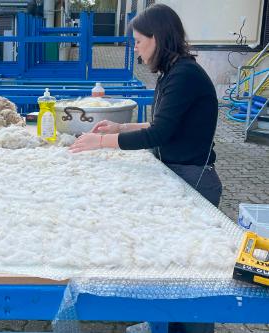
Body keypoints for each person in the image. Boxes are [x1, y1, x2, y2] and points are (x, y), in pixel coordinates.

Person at [70, 4, 220, 333]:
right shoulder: (174, 73)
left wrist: (100, 144)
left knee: (194, 272)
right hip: (177, 174)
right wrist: (118, 129)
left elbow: (160, 134)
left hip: (194, 180)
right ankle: (160, 324)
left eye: (138, 41)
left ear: (158, 38)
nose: (135, 48)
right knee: (168, 264)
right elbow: (160, 125)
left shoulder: (185, 75)